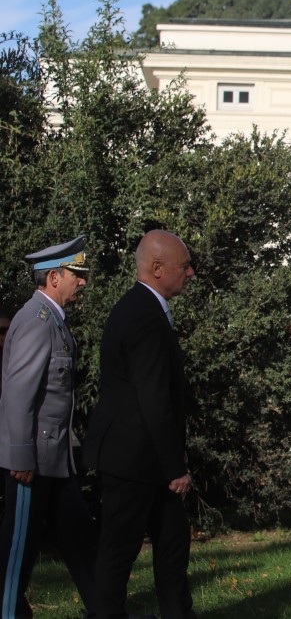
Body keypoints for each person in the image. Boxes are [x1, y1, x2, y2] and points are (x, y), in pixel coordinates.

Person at [86, 229, 198, 619]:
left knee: (172, 546)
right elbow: (153, 399)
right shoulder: (143, 316)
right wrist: (175, 467)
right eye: (184, 266)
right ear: (156, 268)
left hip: (145, 458)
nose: (191, 273)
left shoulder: (141, 309)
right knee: (118, 554)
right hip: (134, 461)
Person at [0, 236, 100, 619]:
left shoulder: (53, 320)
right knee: (17, 551)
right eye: (78, 274)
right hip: (33, 464)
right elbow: (19, 395)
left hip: (54, 462)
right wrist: (20, 459)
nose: (84, 282)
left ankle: (107, 612)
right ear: (55, 277)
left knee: (81, 540)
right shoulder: (37, 321)